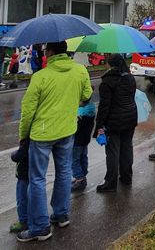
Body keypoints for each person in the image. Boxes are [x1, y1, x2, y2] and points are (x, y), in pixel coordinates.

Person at [17, 41, 92, 243]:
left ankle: (40, 227)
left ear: (50, 52)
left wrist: (23, 135)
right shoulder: (79, 71)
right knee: (64, 172)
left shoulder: (41, 77)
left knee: (38, 179)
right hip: (67, 130)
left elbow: (28, 111)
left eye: (46, 50)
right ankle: (61, 214)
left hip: (42, 134)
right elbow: (86, 95)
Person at [95, 54, 138, 192]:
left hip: (114, 122)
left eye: (107, 63)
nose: (105, 65)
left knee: (113, 152)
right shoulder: (130, 78)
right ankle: (126, 177)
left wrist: (99, 125)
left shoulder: (107, 82)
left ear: (111, 65)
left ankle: (110, 183)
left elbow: (104, 107)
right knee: (127, 148)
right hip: (130, 118)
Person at [71, 97, 96, 192]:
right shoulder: (91, 109)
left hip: (77, 140)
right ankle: (83, 175)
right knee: (83, 157)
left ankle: (80, 179)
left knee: (74, 160)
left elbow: (75, 127)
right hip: (85, 139)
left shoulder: (79, 113)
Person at [10, 139, 29, 234]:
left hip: (23, 176)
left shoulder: (27, 141)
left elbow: (18, 156)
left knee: (22, 198)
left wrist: (13, 154)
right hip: (31, 175)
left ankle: (23, 221)